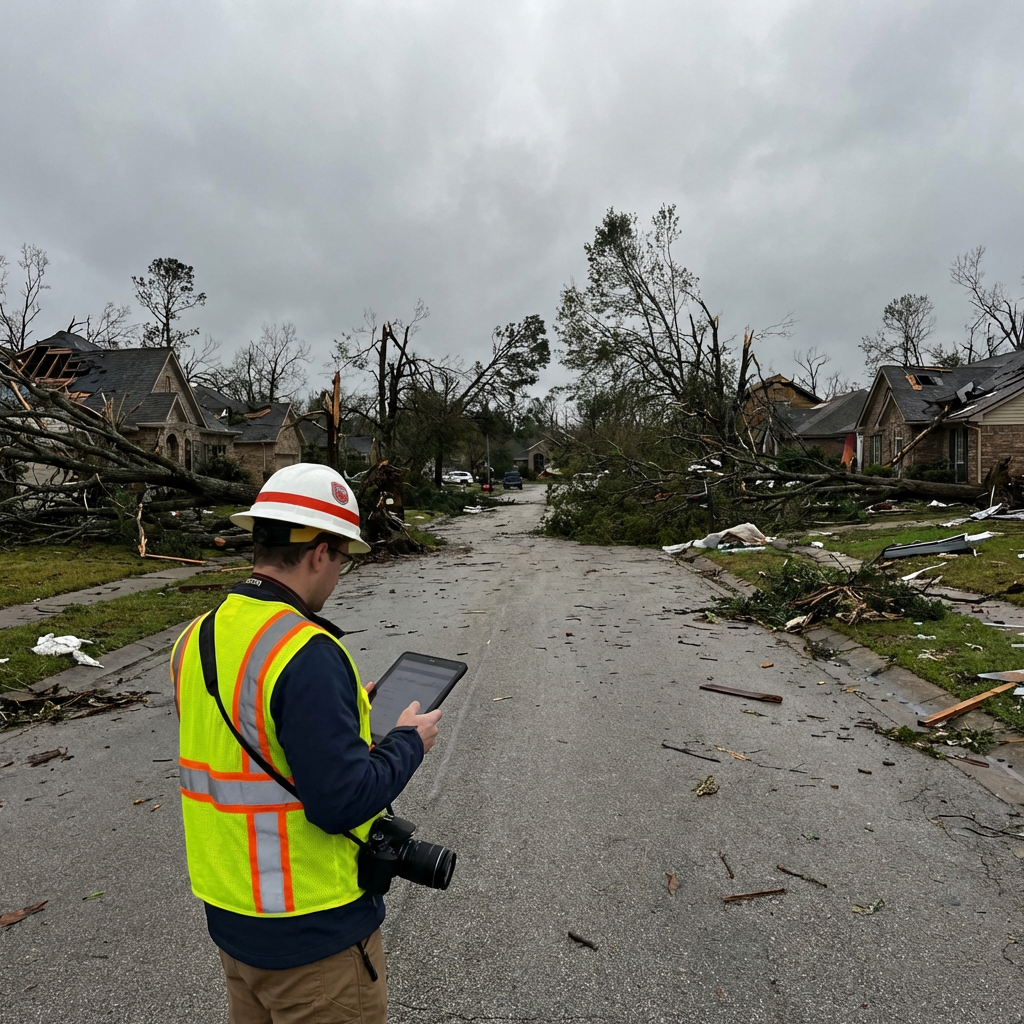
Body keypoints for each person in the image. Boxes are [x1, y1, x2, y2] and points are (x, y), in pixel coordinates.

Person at [172, 463, 442, 1023]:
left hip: (232, 916)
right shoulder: (307, 650)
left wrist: (340, 715)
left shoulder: (196, 637)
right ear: (320, 551)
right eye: (342, 558)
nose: (339, 575)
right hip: (314, 930)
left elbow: (250, 739)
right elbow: (340, 801)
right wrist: (409, 743)